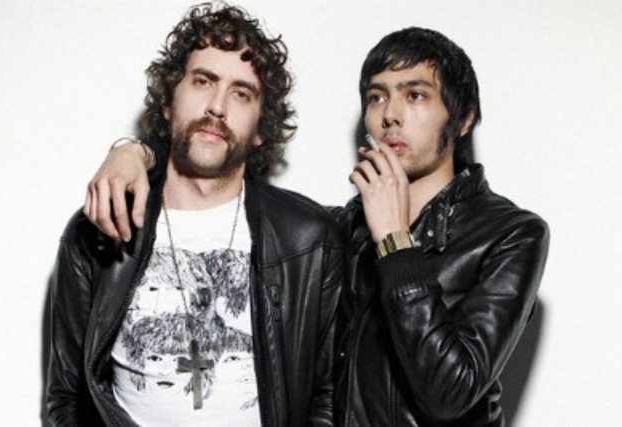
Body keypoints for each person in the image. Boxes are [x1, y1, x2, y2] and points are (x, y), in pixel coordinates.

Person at [85, 26, 550, 426]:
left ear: (464, 119)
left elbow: (450, 392)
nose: (390, 113)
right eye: (377, 96)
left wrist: (396, 243)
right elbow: (216, 166)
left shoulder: (511, 235)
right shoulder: (341, 229)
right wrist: (136, 152)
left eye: (415, 95)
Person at [47, 4, 343, 427]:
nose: (217, 107)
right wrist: (131, 149)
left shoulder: (309, 239)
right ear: (169, 101)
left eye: (241, 93)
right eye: (203, 81)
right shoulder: (98, 227)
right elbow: (68, 397)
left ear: (261, 129)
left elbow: (326, 396)